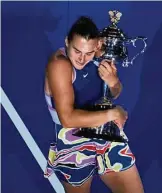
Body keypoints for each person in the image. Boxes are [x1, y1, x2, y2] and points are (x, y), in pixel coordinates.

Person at [44, 16, 144, 193]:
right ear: (67, 42)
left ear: (97, 46)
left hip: (105, 132)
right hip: (72, 140)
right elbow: (67, 118)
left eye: (88, 53)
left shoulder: (98, 55)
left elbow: (114, 92)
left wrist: (113, 82)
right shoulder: (59, 64)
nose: (82, 59)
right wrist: (113, 114)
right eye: (77, 51)